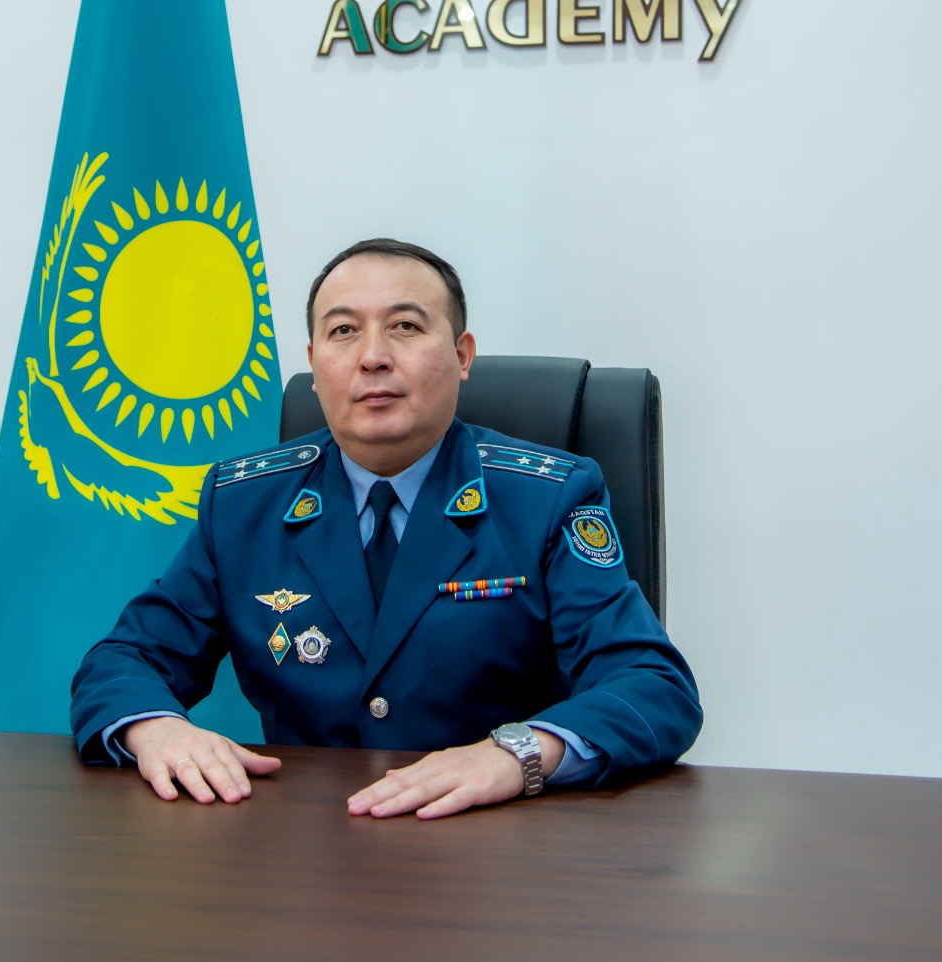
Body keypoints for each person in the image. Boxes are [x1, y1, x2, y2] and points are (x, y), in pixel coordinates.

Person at [71, 238, 702, 819]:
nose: (373, 357)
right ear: (314, 364)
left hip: (497, 843)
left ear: (462, 356)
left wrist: (515, 754)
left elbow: (653, 687)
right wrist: (154, 729)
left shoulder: (547, 497)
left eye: (405, 326)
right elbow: (126, 658)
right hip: (303, 846)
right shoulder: (244, 502)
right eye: (343, 331)